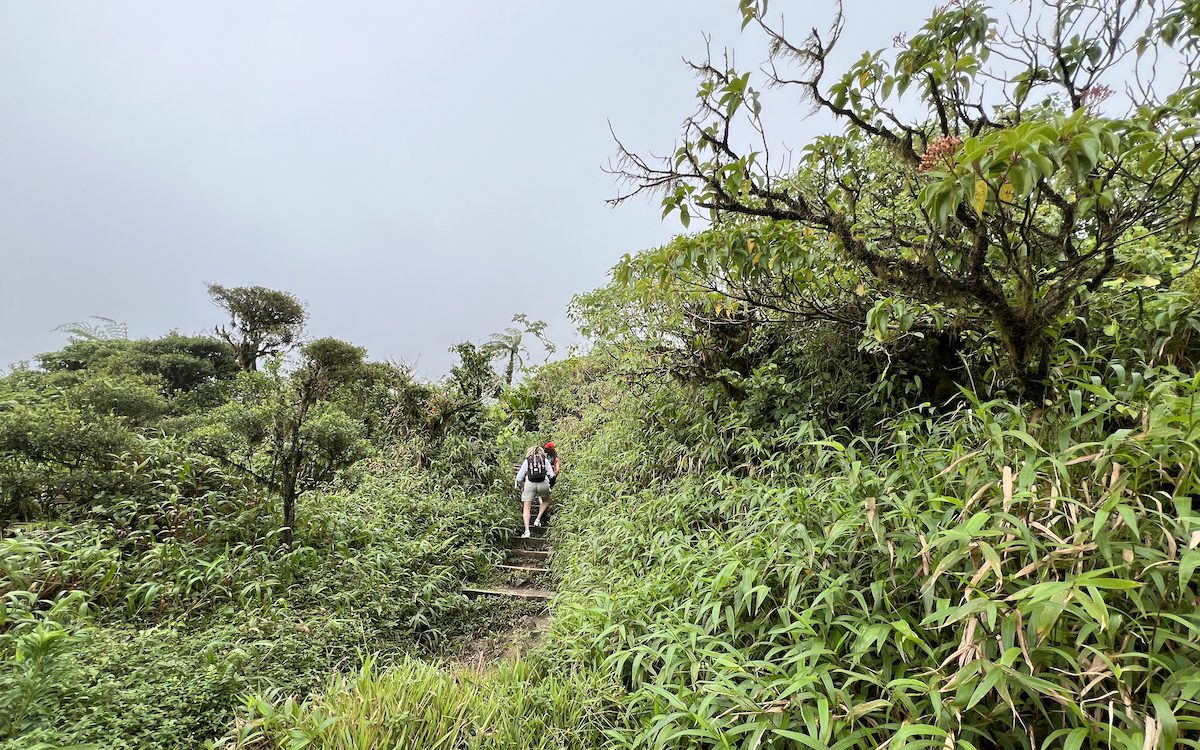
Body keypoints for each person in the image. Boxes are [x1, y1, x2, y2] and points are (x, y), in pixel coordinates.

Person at [514, 445, 554, 538]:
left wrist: (522, 486)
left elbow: (519, 478)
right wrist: (549, 485)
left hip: (529, 484)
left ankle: (527, 531)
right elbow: (551, 475)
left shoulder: (527, 460)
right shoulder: (544, 459)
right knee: (545, 501)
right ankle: (538, 519)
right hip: (543, 483)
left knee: (526, 508)